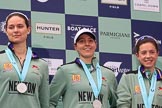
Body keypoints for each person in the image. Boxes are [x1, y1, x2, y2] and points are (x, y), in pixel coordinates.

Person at [50, 28, 117, 108]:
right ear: (75, 46)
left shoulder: (108, 74)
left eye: (90, 41)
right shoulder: (64, 71)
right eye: (82, 41)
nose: (87, 44)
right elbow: (49, 101)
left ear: (95, 44)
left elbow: (118, 104)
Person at [0, 12, 49, 108]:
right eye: (11, 27)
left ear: (28, 30)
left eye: (20, 26)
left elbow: (44, 102)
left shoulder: (42, 64)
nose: (15, 30)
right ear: (6, 31)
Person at [117, 35, 162, 108]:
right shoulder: (128, 78)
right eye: (144, 53)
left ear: (157, 54)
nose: (148, 56)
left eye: (152, 52)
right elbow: (123, 105)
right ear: (138, 55)